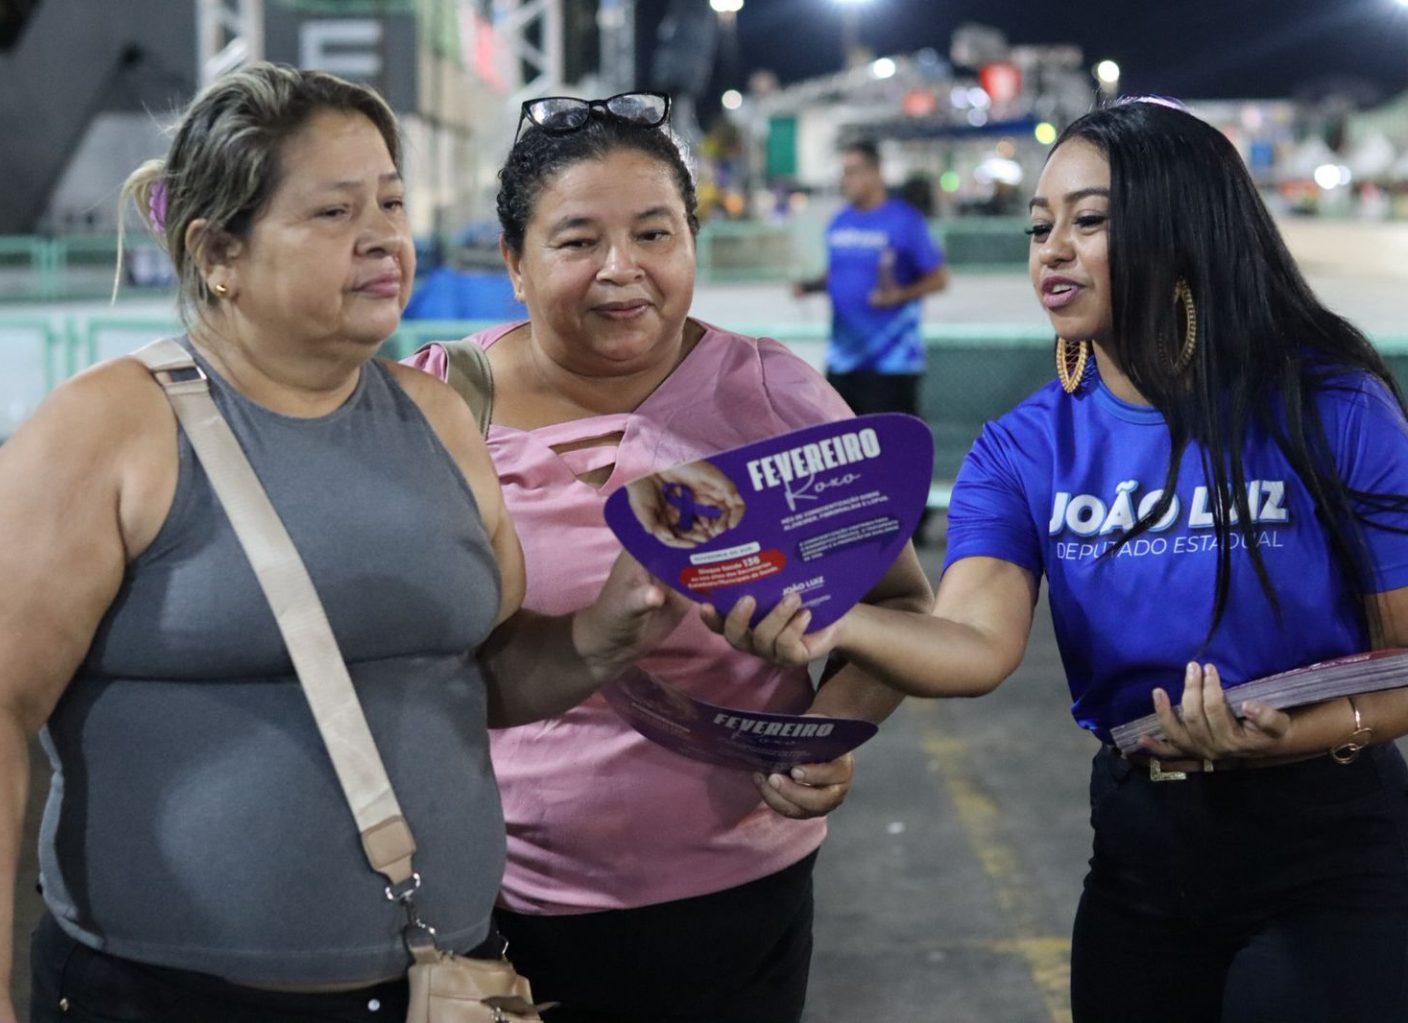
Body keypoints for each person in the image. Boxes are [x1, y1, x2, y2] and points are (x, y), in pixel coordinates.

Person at [0, 64, 684, 1023]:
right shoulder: (105, 435)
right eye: (332, 213)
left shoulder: (437, 418)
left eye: (391, 202)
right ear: (219, 251)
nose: (384, 238)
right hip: (164, 997)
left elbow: (475, 674)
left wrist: (601, 636)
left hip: (441, 983)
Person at [722, 98, 1408, 1022]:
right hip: (1141, 855)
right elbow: (973, 642)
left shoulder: (1333, 407)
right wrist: (835, 617)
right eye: (1041, 225)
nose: (1052, 248)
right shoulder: (1021, 449)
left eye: (1089, 221)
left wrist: (1308, 730)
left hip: (1333, 849)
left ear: (1185, 226)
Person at [402, 92, 933, 1023]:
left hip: (730, 899)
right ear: (514, 264)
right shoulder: (447, 402)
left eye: (655, 234)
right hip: (489, 899)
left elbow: (901, 607)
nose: (623, 271)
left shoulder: (771, 396)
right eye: (577, 241)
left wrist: (832, 732)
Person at [793, 140, 949, 422]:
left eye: (852, 171)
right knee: (844, 452)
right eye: (843, 172)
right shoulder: (838, 222)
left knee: (894, 455)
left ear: (875, 173)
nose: (845, 180)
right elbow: (837, 274)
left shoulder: (904, 220)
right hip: (843, 360)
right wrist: (810, 286)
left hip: (892, 363)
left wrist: (899, 295)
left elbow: (938, 279)